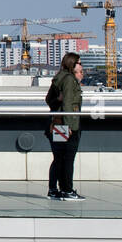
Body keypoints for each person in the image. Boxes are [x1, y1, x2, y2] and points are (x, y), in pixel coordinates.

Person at [47, 54, 85, 201]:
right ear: (72, 64)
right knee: (68, 158)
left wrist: (58, 100)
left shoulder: (59, 77)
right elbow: (69, 104)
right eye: (79, 63)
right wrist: (69, 125)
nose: (81, 66)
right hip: (68, 124)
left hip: (57, 122)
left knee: (59, 158)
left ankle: (54, 189)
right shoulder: (69, 79)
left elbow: (49, 100)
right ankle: (67, 190)